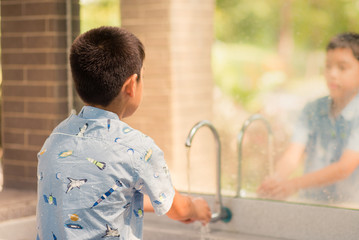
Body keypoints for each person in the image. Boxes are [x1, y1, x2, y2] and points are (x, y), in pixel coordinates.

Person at [36, 26, 211, 240]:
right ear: (130, 86)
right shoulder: (138, 149)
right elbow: (179, 209)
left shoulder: (57, 138)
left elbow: (94, 192)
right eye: (142, 77)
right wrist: (196, 208)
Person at [257, 33, 359, 204]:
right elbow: (292, 155)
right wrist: (275, 181)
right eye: (328, 66)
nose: (332, 74)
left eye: (342, 68)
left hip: (350, 211)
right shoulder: (313, 110)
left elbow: (344, 167)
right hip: (311, 205)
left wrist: (293, 185)